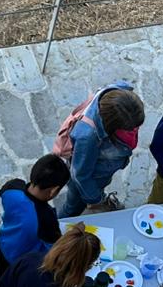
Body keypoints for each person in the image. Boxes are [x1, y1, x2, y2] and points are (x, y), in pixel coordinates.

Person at [55, 83, 145, 218]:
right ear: (111, 125)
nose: (135, 131)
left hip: (100, 173)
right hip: (86, 182)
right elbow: (80, 175)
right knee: (72, 209)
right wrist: (96, 200)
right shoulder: (87, 137)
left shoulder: (118, 92)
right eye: (131, 129)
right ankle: (58, 230)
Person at [0, 152, 69, 287]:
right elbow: (56, 245)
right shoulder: (46, 217)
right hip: (20, 261)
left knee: (1, 273)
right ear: (53, 191)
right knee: (11, 286)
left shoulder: (13, 187)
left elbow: (2, 192)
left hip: (4, 246)